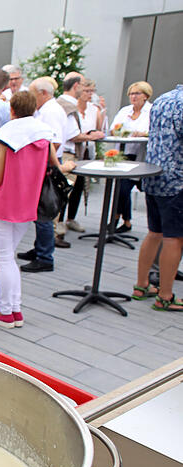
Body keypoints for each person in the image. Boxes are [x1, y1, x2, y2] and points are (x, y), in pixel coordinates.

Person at [0, 92, 74, 328]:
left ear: (12, 110)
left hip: (4, 202)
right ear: (34, 108)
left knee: (4, 258)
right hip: (29, 204)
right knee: (11, 257)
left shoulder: (6, 135)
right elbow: (55, 166)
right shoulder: (43, 134)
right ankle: (14, 309)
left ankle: (7, 311)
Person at [130, 84, 183, 310]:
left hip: (153, 173)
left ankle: (141, 285)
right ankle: (165, 295)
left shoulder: (163, 99)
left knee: (154, 232)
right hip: (177, 177)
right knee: (174, 238)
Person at [17, 77, 69, 273]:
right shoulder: (47, 110)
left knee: (43, 212)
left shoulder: (51, 112)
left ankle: (45, 256)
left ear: (43, 93)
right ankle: (40, 249)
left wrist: (38, 159)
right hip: (44, 166)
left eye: (33, 93)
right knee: (39, 211)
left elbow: (52, 142)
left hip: (45, 168)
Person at [55, 73, 106, 245]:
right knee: (65, 189)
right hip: (69, 151)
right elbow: (72, 135)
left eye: (92, 90)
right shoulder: (66, 106)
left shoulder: (92, 109)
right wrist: (90, 137)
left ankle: (69, 219)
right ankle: (58, 225)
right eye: (86, 89)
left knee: (77, 188)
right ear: (77, 87)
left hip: (82, 152)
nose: (89, 93)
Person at [110, 81, 153, 234]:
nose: (133, 97)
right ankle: (125, 221)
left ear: (146, 96)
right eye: (131, 94)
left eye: (137, 93)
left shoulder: (152, 111)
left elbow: (153, 130)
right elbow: (114, 129)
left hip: (140, 155)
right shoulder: (125, 111)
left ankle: (116, 219)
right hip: (123, 153)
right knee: (121, 188)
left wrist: (142, 134)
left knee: (124, 188)